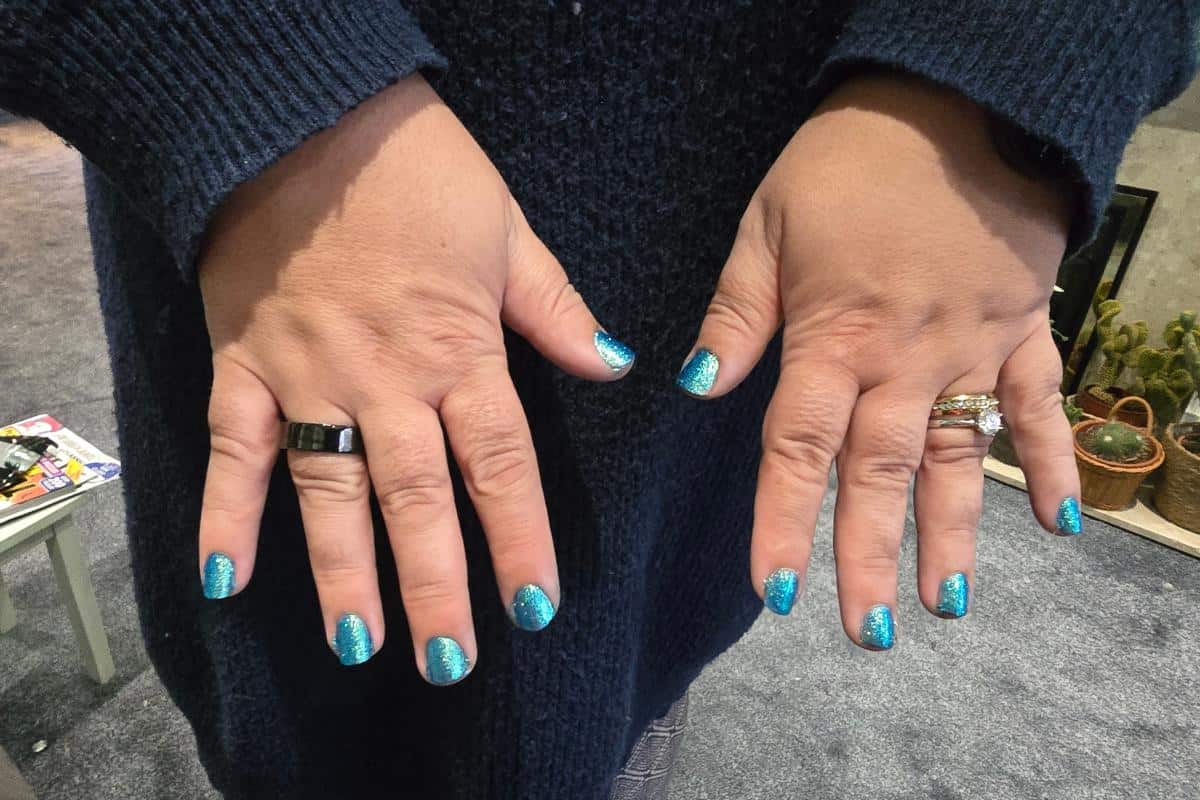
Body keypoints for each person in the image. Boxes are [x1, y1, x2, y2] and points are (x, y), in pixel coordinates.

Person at [2, 2, 1196, 798]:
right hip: (274, 258)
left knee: (627, 709)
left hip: (683, 457)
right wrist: (239, 74)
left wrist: (1006, 74)